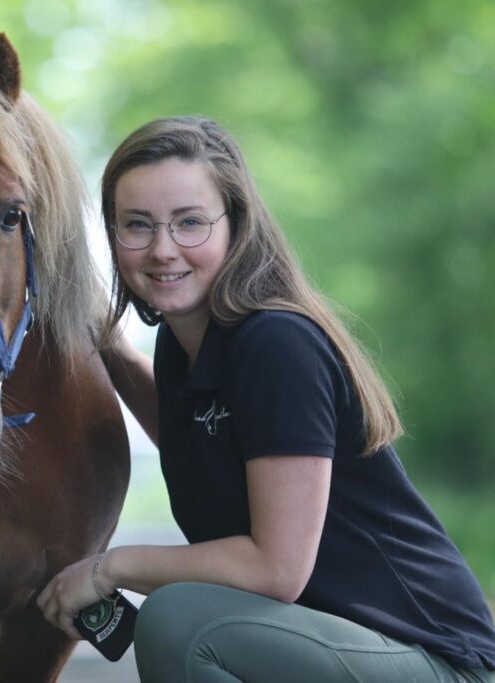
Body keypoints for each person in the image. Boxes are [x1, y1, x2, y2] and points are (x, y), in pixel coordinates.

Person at [37, 117, 495, 682]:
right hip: (331, 648)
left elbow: (276, 571)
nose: (162, 249)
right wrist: (89, 328)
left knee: (181, 621)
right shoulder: (183, 350)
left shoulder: (276, 342)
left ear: (237, 225)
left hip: (440, 663)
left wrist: (113, 568)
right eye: (137, 225)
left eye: (190, 223)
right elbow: (196, 440)